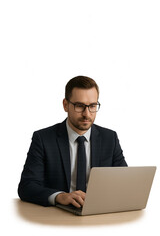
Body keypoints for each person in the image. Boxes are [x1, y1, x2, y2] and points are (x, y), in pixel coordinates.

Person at [18, 76, 127, 208]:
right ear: (65, 105)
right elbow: (27, 186)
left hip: (98, 213)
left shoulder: (110, 138)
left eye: (92, 106)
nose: (87, 114)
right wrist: (59, 196)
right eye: (79, 106)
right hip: (58, 215)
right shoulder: (43, 139)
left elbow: (123, 183)